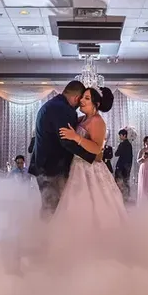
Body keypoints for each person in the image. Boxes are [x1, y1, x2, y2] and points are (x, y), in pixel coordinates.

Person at [54, 86, 126, 230]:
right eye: (82, 97)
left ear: (96, 104)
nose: (81, 100)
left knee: (93, 204)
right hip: (77, 166)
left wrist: (75, 137)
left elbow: (96, 148)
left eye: (87, 98)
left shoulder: (97, 121)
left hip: (91, 168)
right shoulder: (82, 119)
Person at [29, 80, 95, 214]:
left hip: (44, 164)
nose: (80, 104)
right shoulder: (62, 109)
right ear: (77, 98)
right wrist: (91, 156)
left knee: (50, 206)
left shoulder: (52, 105)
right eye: (81, 100)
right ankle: (46, 234)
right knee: (53, 208)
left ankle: (43, 233)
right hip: (52, 168)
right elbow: (66, 141)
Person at [114, 128, 133, 199]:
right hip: (128, 166)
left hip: (121, 166)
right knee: (126, 181)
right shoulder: (129, 145)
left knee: (119, 181)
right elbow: (130, 157)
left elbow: (116, 154)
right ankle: (127, 197)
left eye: (120, 135)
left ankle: (120, 197)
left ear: (124, 135)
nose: (119, 137)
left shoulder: (122, 144)